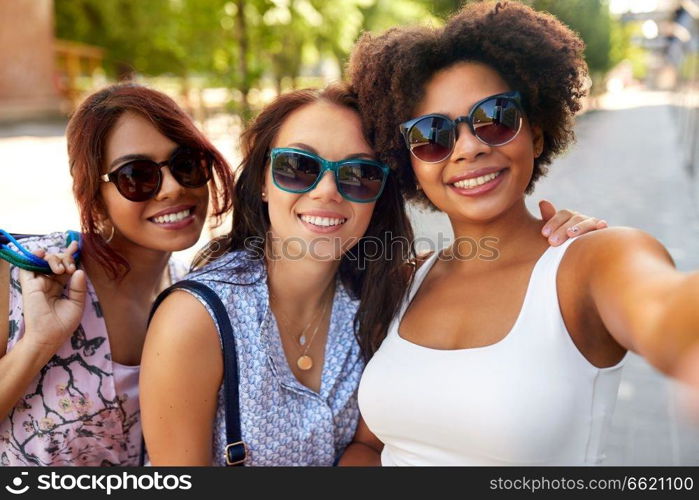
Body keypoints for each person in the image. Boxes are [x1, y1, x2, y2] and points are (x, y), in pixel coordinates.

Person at [139, 83, 599, 466]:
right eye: (298, 168)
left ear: (378, 196)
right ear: (262, 180)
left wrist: (558, 240)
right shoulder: (195, 322)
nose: (326, 191)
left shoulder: (388, 296)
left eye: (358, 174)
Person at [346, 1, 699, 465]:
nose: (469, 147)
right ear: (410, 163)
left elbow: (663, 306)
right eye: (433, 134)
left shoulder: (593, 261)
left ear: (534, 132)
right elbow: (370, 445)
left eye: (494, 117)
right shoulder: (406, 278)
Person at [0, 83, 234, 466]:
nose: (172, 188)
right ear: (96, 199)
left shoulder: (190, 298)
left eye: (186, 163)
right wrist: (37, 344)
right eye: (137, 176)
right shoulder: (29, 273)